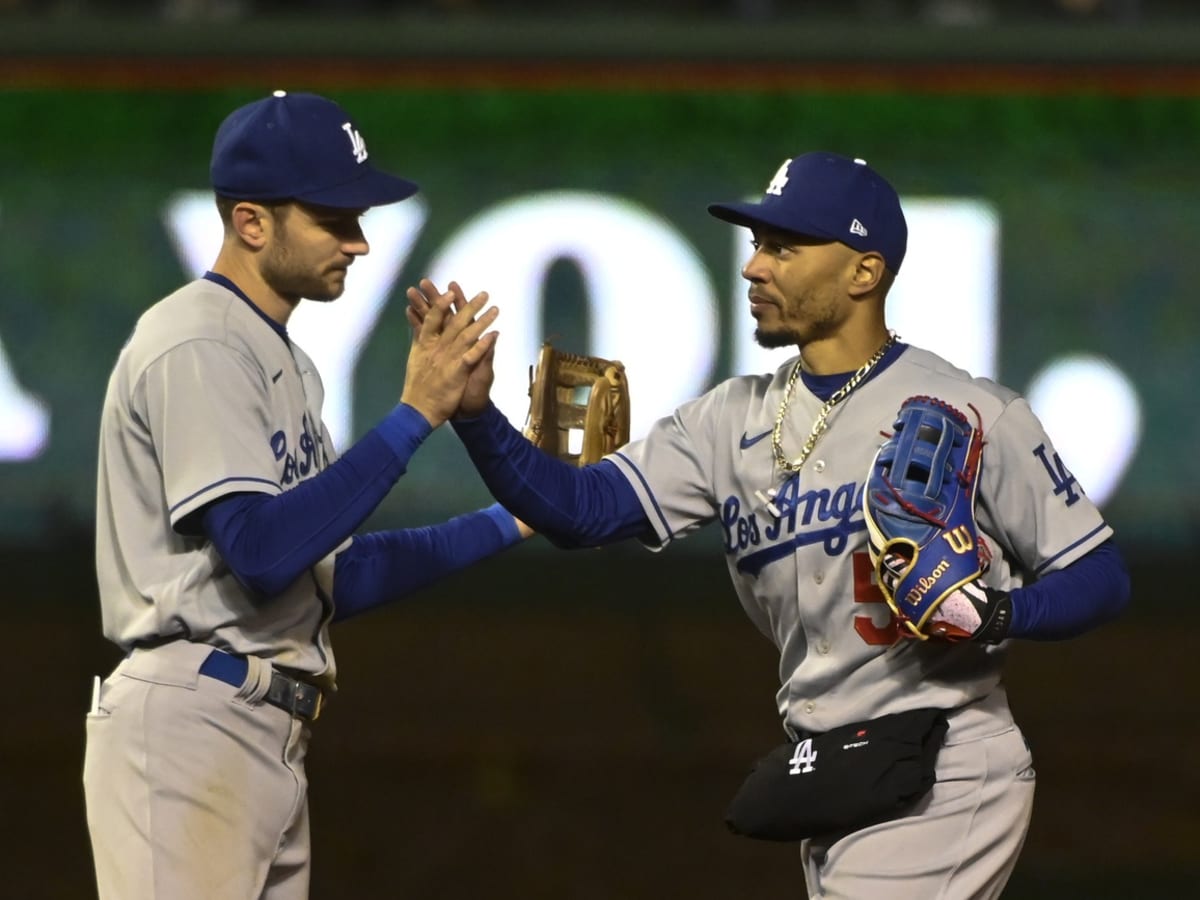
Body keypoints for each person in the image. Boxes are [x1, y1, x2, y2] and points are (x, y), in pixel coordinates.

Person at [408, 152, 1131, 898]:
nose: (754, 267)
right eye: (758, 245)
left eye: (785, 248)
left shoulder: (971, 412)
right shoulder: (730, 418)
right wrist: (477, 418)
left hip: (943, 765)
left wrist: (999, 612)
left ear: (863, 272)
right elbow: (578, 512)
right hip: (831, 772)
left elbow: (1100, 576)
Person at [83, 90, 527, 900]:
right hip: (193, 719)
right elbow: (258, 551)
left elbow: (334, 574)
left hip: (259, 728)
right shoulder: (200, 340)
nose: (359, 242)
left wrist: (514, 518)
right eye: (332, 218)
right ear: (252, 223)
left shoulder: (279, 357)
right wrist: (413, 415)